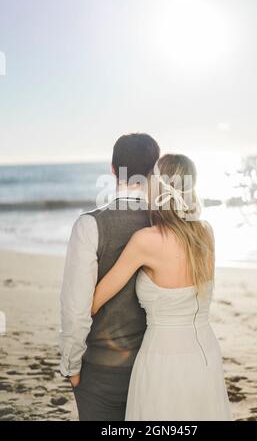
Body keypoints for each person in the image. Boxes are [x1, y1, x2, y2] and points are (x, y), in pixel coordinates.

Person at [92, 153, 232, 421]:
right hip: (205, 354)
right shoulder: (206, 233)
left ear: (157, 185)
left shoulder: (145, 240)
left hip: (163, 358)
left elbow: (95, 300)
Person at [60, 133, 160, 421]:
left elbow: (76, 308)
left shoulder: (90, 225)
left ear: (113, 169)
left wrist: (72, 367)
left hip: (101, 370)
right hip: (153, 366)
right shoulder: (165, 225)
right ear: (154, 171)